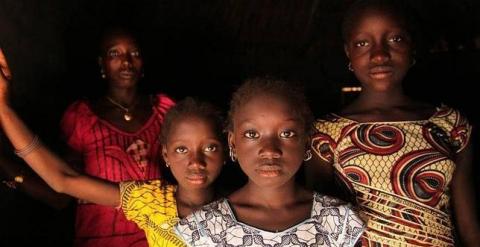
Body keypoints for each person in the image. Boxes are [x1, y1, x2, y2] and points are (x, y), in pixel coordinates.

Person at [0, 48, 226, 246]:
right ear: (165, 154)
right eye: (181, 149)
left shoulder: (241, 210)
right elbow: (63, 179)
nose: (196, 162)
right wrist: (3, 108)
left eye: (210, 148)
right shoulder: (151, 201)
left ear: (227, 151)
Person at [308, 0, 480, 246]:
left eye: (395, 39)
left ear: (412, 46)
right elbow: (321, 229)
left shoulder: (451, 125)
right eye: (363, 43)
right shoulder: (326, 134)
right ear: (348, 52)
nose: (379, 54)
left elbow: (469, 229)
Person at [176, 77, 364, 246]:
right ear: (233, 143)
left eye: (286, 133)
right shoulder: (204, 228)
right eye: (252, 134)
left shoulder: (339, 222)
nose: (269, 150)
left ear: (306, 142)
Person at [59, 27, 175, 246]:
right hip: (100, 237)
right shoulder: (82, 117)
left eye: (135, 53)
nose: (126, 61)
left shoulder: (163, 111)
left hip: (157, 235)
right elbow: (64, 184)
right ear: (101, 64)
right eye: (115, 54)